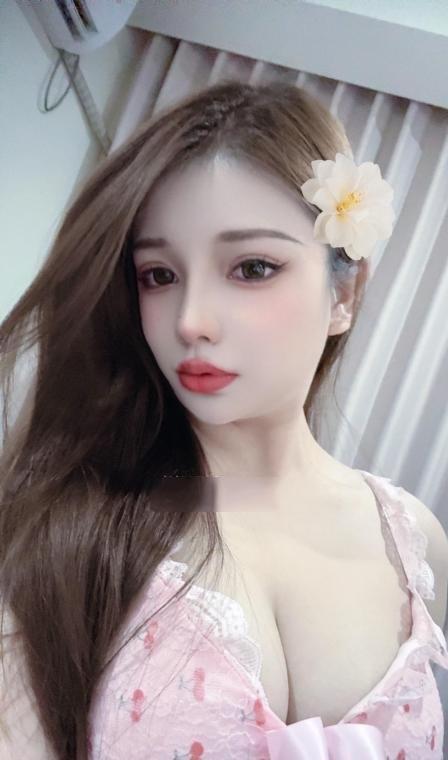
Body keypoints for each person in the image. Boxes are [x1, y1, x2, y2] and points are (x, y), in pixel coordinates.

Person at [0, 80, 447, 760]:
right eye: (158, 275)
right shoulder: (72, 536)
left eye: (252, 267)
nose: (191, 321)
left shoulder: (414, 545)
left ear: (345, 294)